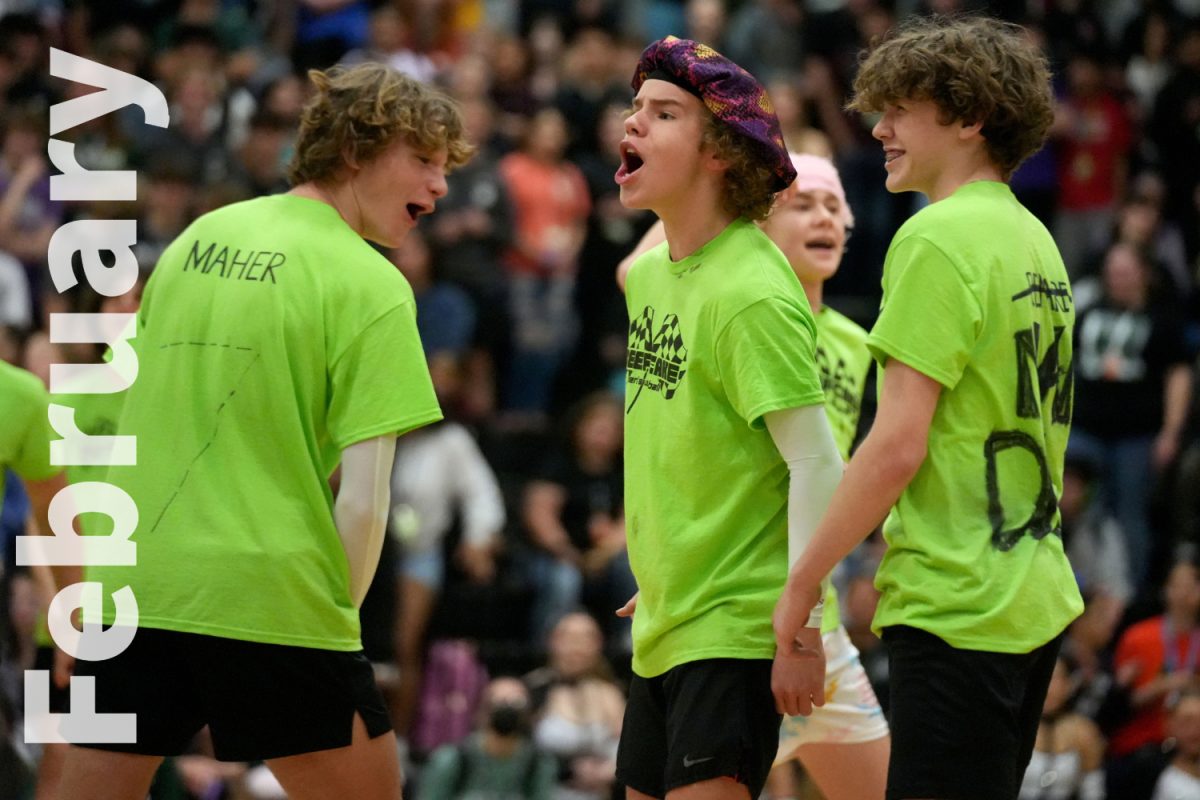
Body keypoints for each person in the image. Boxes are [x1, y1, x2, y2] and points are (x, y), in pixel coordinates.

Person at [55, 62, 473, 800]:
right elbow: (367, 501)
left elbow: (127, 416)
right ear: (354, 152)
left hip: (135, 582)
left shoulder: (194, 240)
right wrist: (333, 623)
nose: (440, 186)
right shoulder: (372, 285)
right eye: (424, 162)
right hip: (272, 595)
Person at [773, 16, 1085, 800]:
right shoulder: (1037, 240)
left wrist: (803, 582)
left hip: (957, 598)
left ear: (969, 116)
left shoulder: (936, 238)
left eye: (900, 109)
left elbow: (896, 445)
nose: (879, 128)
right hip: (1032, 591)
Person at [617, 153, 890, 800]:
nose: (823, 216)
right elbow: (637, 271)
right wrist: (742, 161)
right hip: (735, 619)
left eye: (834, 206)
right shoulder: (738, 301)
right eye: (803, 202)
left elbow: (826, 471)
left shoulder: (857, 341)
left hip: (804, 614)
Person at [418, 677, 558, 800]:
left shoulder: (538, 763)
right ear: (482, 711)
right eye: (499, 701)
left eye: (516, 702)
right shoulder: (452, 759)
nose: (507, 708)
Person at [1018, 654, 1105, 800]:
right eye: (1040, 677)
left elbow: (1093, 790)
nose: (1048, 687)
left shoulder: (1084, 730)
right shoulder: (1014, 726)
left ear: (1069, 685)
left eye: (1055, 679)